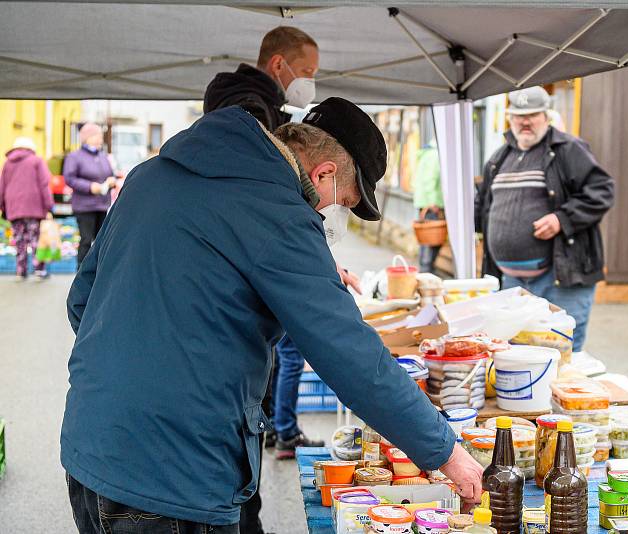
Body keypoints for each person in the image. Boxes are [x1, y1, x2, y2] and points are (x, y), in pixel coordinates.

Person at [62, 98, 484, 534]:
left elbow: (82, 302)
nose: (324, 215)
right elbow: (350, 355)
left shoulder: (149, 175)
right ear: (324, 174)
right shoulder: (280, 213)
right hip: (174, 474)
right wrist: (445, 451)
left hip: (89, 446)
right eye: (337, 205)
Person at [203, 25, 324, 533]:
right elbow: (256, 212)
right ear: (280, 65)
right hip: (179, 461)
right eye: (308, 73)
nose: (310, 83)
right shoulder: (250, 113)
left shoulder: (247, 107)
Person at [475, 86, 614, 352]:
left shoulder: (568, 149)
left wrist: (562, 219)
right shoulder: (499, 157)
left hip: (561, 277)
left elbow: (602, 190)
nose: (525, 121)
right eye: (519, 115)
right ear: (510, 118)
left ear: (546, 116)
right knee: (516, 354)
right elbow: (483, 206)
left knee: (560, 351)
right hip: (512, 282)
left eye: (532, 114)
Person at [63, 123, 118, 265]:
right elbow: (70, 178)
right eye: (97, 135)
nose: (100, 138)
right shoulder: (74, 157)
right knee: (86, 240)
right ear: (87, 138)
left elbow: (111, 173)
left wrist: (111, 180)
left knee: (102, 241)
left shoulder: (103, 156)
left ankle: (99, 272)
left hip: (102, 205)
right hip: (84, 206)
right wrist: (90, 187)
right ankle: (81, 273)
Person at [0, 137, 54, 280]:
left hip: (13, 207)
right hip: (33, 206)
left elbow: (2, 186)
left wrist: (2, 206)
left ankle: (20, 270)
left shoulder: (7, 163)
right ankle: (39, 270)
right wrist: (49, 205)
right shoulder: (36, 161)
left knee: (19, 239)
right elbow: (44, 184)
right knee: (35, 238)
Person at [413, 142, 444, 274]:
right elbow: (430, 180)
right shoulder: (435, 155)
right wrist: (433, 202)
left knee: (427, 241)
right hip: (431, 206)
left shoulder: (427, 154)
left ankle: (426, 273)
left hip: (424, 204)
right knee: (430, 244)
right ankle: (426, 275)